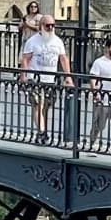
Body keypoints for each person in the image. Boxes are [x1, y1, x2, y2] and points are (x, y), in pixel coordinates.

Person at [20, 14, 71, 144]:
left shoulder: (57, 41)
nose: (50, 28)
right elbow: (25, 59)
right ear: (41, 26)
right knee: (37, 105)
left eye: (53, 25)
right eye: (47, 25)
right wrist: (24, 76)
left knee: (46, 107)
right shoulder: (33, 41)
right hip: (35, 78)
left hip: (50, 79)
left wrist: (68, 77)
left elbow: (63, 59)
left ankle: (42, 131)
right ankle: (42, 131)